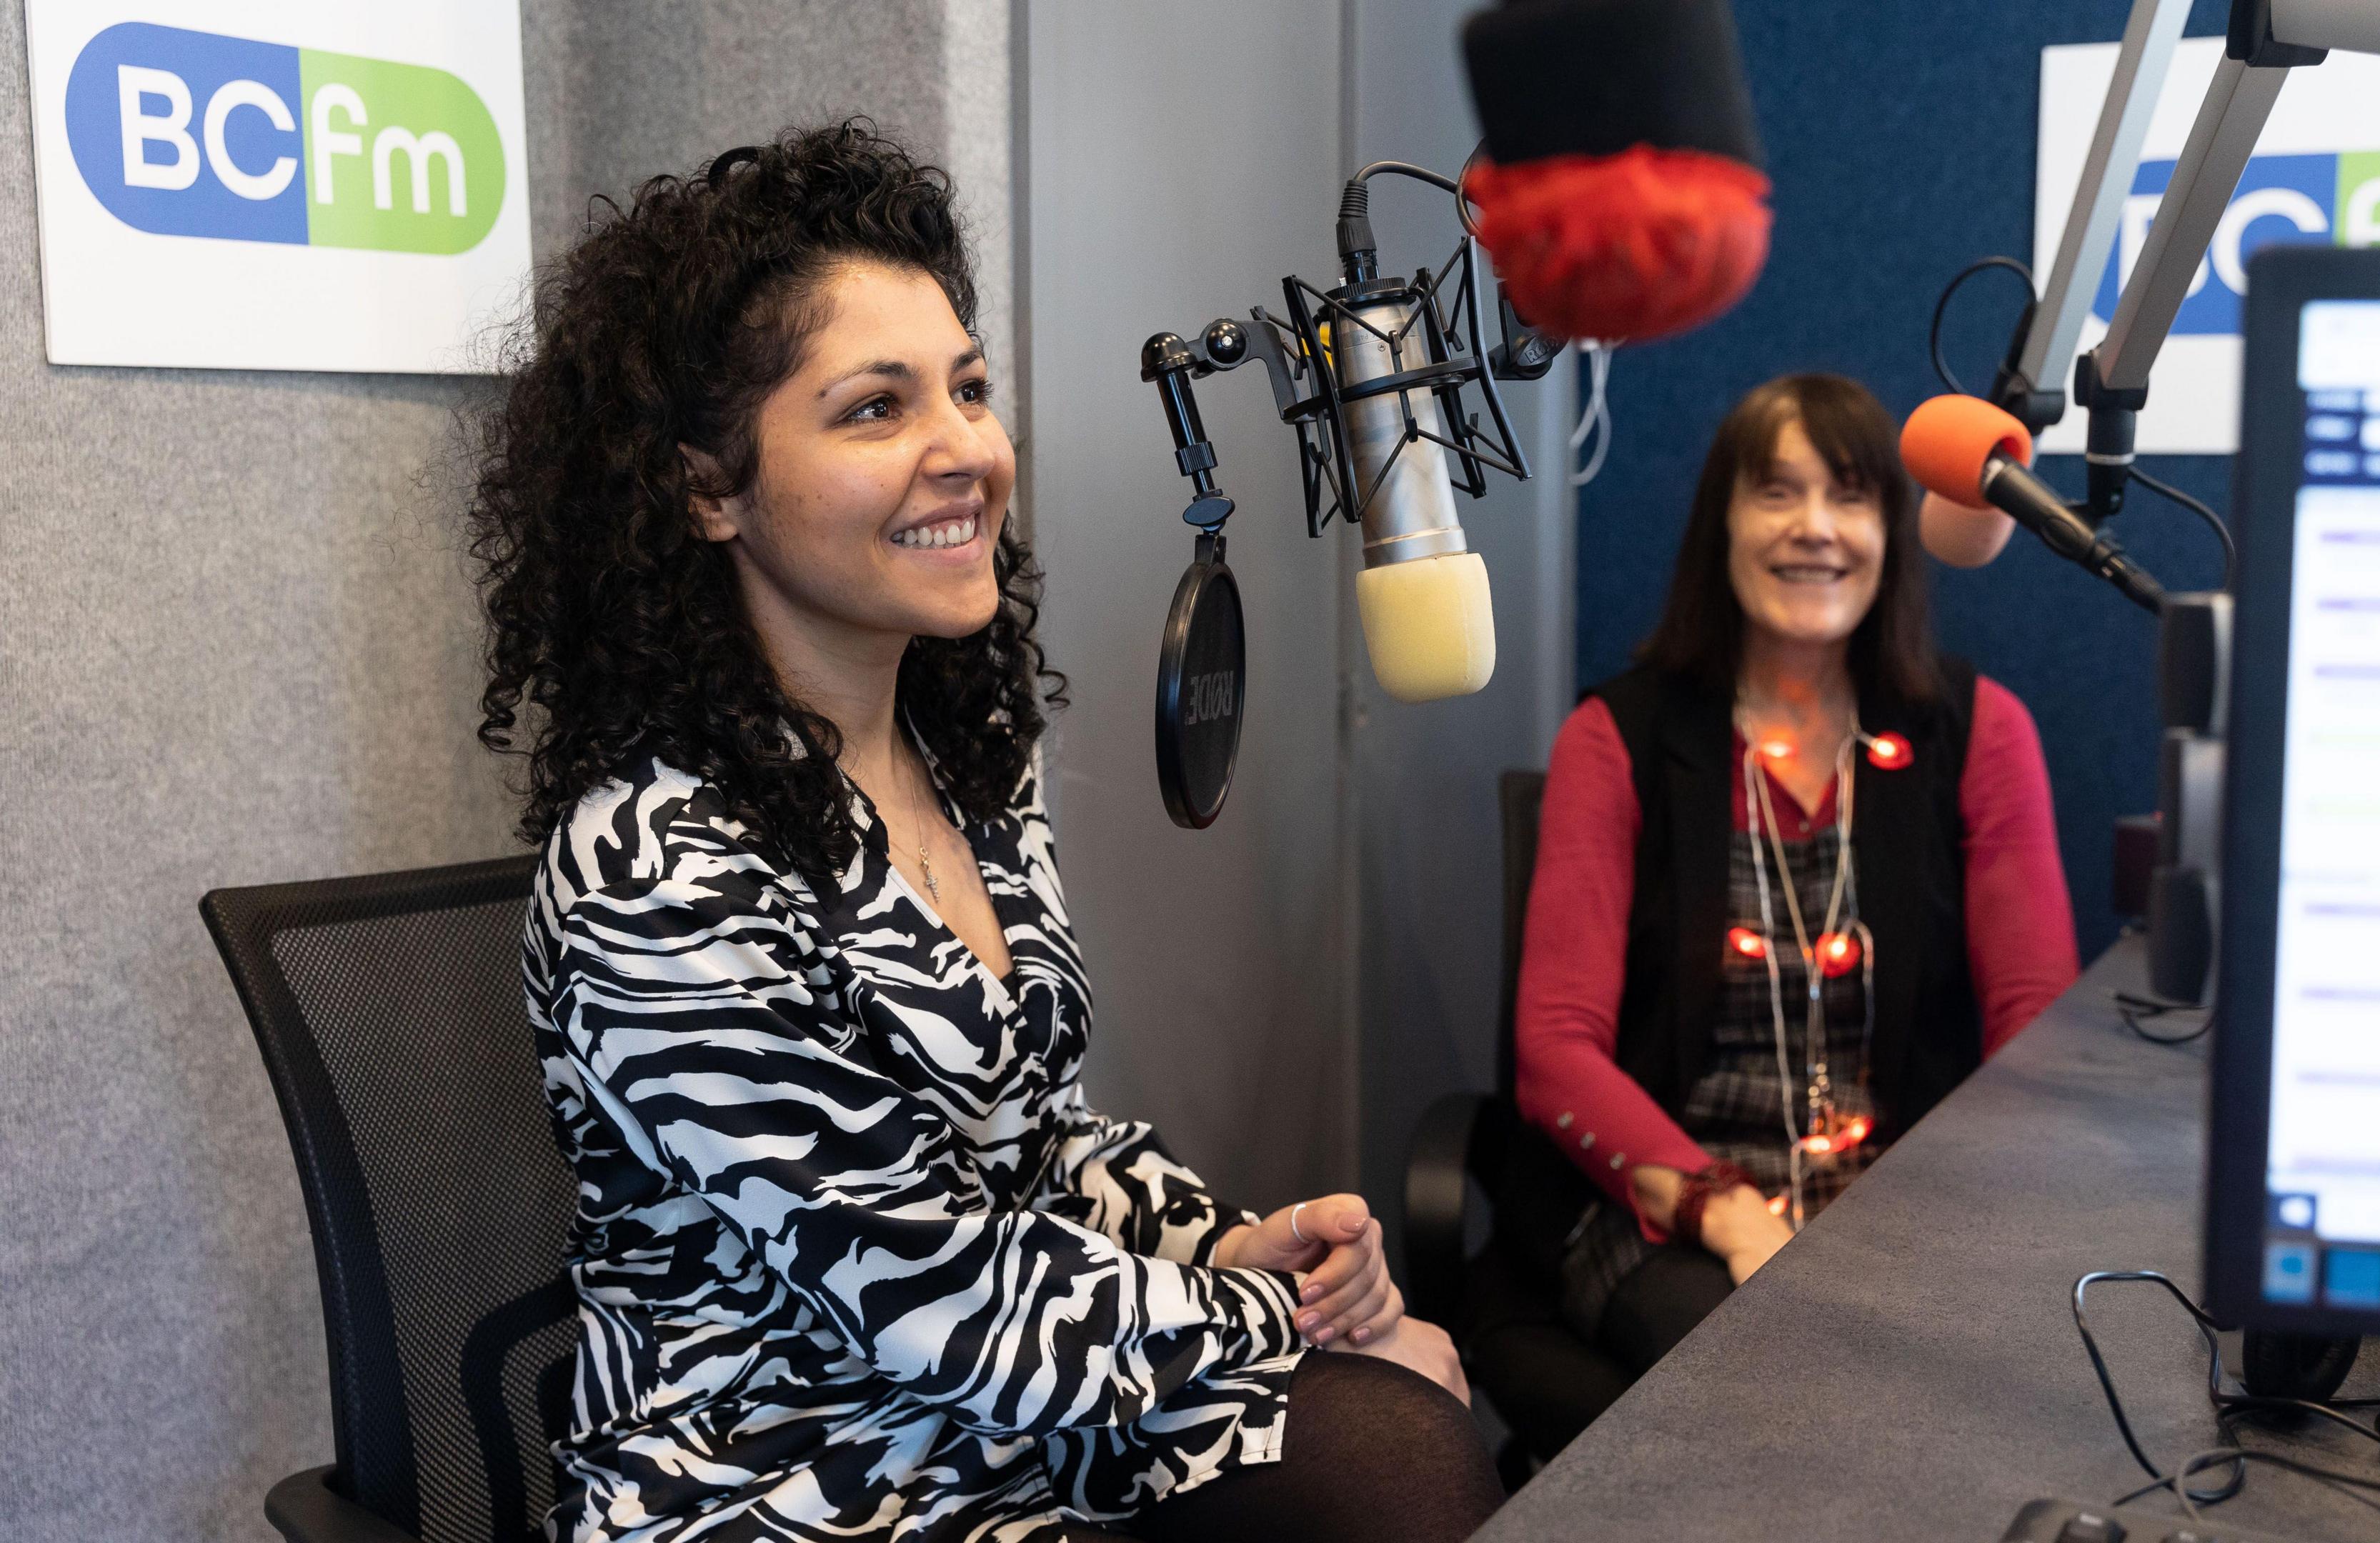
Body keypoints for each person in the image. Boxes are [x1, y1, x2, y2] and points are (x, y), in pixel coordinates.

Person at [469, 121, 1500, 1543]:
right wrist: (1275, 1323)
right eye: (876, 409)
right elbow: (936, 1295)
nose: (966, 449)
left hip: (1002, 1422)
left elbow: (1032, 1140)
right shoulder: (654, 868)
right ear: (707, 489)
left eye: (968, 388)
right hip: (788, 1482)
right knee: (1398, 1416)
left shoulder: (967, 766)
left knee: (1406, 1445)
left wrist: (1217, 1242)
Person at [1481, 374, 2078, 1455]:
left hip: (1903, 1208)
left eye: (1849, 496)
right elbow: (1554, 1053)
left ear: (1891, 533)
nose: (1815, 529)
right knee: (1776, 1383)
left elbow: (2033, 1032)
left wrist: (1922, 1229)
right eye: (1777, 494)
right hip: (1659, 1209)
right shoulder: (1616, 739)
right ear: (1723, 526)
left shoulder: (1978, 734)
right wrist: (1730, 1210)